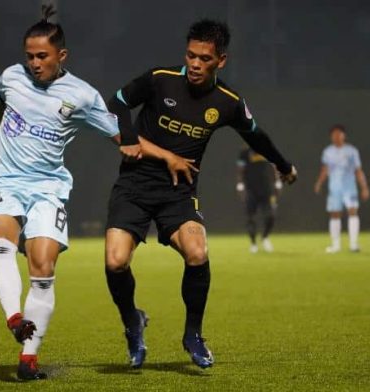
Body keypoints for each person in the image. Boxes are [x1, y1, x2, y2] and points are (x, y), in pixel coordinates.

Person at [103, 19, 297, 369]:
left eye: (204, 59)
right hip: (134, 185)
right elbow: (115, 103)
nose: (194, 64)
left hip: (178, 192)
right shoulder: (160, 79)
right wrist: (130, 139)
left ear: (220, 60)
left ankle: (193, 335)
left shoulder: (226, 101)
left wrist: (282, 164)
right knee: (116, 262)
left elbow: (255, 136)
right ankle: (132, 319)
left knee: (197, 251)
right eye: (191, 56)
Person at [0, 6, 124, 381]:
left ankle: (28, 360)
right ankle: (15, 316)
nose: (33, 63)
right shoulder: (11, 78)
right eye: (29, 56)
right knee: (2, 239)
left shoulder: (82, 95)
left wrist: (159, 154)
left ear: (62, 56)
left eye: (42, 56)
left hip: (48, 188)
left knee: (42, 268)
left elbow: (122, 137)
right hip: (4, 179)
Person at [313, 124, 370, 253]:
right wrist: (319, 183)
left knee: (352, 211)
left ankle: (354, 244)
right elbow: (325, 170)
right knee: (334, 214)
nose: (337, 136)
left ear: (344, 135)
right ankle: (335, 245)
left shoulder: (352, 151)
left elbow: (358, 170)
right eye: (334, 134)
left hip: (349, 187)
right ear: (331, 136)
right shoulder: (328, 152)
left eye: (339, 133)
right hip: (334, 188)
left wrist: (364, 187)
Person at [236, 147, 283, 253]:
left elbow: (274, 165)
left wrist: (278, 181)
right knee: (250, 217)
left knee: (271, 215)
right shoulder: (244, 153)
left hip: (267, 188)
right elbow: (240, 169)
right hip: (251, 189)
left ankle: (265, 237)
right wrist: (240, 184)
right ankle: (253, 244)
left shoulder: (266, 148)